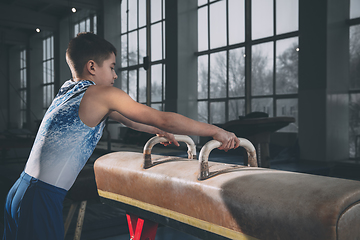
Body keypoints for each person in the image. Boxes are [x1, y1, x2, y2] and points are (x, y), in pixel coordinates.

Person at [2, 32, 240, 240]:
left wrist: (157, 131)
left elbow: (129, 119)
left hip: (19, 192)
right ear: (92, 67)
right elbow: (163, 117)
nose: (115, 75)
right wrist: (216, 131)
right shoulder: (101, 93)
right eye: (112, 67)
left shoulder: (68, 90)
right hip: (41, 198)